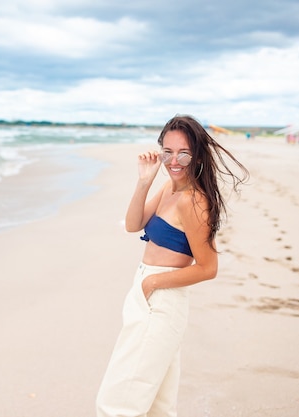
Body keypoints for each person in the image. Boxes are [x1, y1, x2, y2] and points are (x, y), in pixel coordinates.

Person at [96, 115, 249, 417]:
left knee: (118, 400)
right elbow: (132, 224)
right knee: (157, 403)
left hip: (161, 298)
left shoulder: (194, 201)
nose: (174, 160)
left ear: (197, 154)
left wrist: (151, 284)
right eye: (168, 151)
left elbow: (208, 267)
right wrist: (145, 180)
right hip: (150, 295)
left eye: (183, 152)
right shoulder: (170, 189)